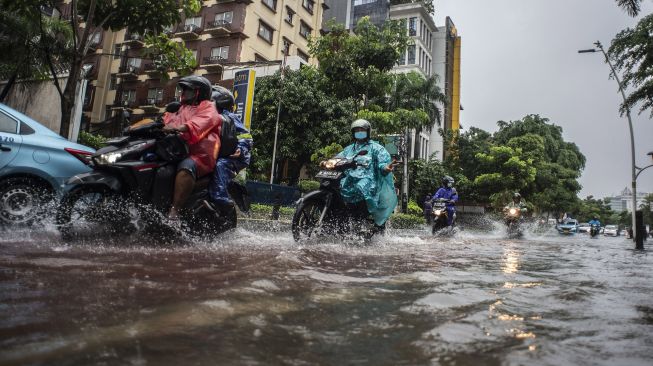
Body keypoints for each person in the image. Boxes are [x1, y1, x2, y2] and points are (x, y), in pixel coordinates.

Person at [162, 75, 221, 219]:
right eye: (183, 90)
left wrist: (181, 128)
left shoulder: (208, 107)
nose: (183, 93)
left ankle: (175, 211)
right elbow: (165, 121)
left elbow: (200, 122)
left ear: (198, 92)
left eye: (187, 90)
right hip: (175, 150)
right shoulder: (180, 108)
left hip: (197, 155)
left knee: (186, 168)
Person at [337, 119, 399, 232]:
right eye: (357, 130)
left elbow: (383, 163)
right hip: (348, 182)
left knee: (362, 186)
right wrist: (327, 161)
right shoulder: (349, 149)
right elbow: (338, 158)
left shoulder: (376, 148)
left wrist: (386, 168)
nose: (359, 132)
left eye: (362, 130)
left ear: (368, 132)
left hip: (368, 184)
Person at [207, 85, 253, 213]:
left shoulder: (229, 117)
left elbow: (246, 136)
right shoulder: (205, 115)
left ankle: (220, 199)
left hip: (234, 157)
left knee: (220, 165)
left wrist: (240, 148)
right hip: (217, 153)